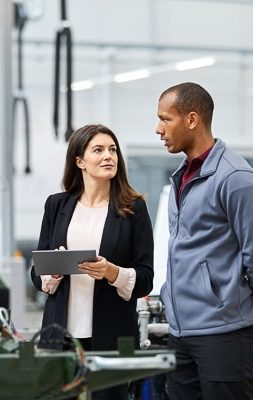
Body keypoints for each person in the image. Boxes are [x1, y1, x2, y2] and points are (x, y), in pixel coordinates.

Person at [155, 82, 253, 400]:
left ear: (192, 119)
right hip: (182, 332)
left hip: (226, 333)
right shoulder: (182, 176)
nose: (158, 129)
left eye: (165, 119)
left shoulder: (236, 179)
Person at [31, 124, 154, 400]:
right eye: (98, 150)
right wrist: (54, 272)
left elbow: (146, 277)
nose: (108, 156)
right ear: (80, 161)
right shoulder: (56, 205)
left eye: (112, 150)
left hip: (112, 337)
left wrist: (112, 272)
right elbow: (37, 274)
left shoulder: (134, 208)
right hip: (61, 337)